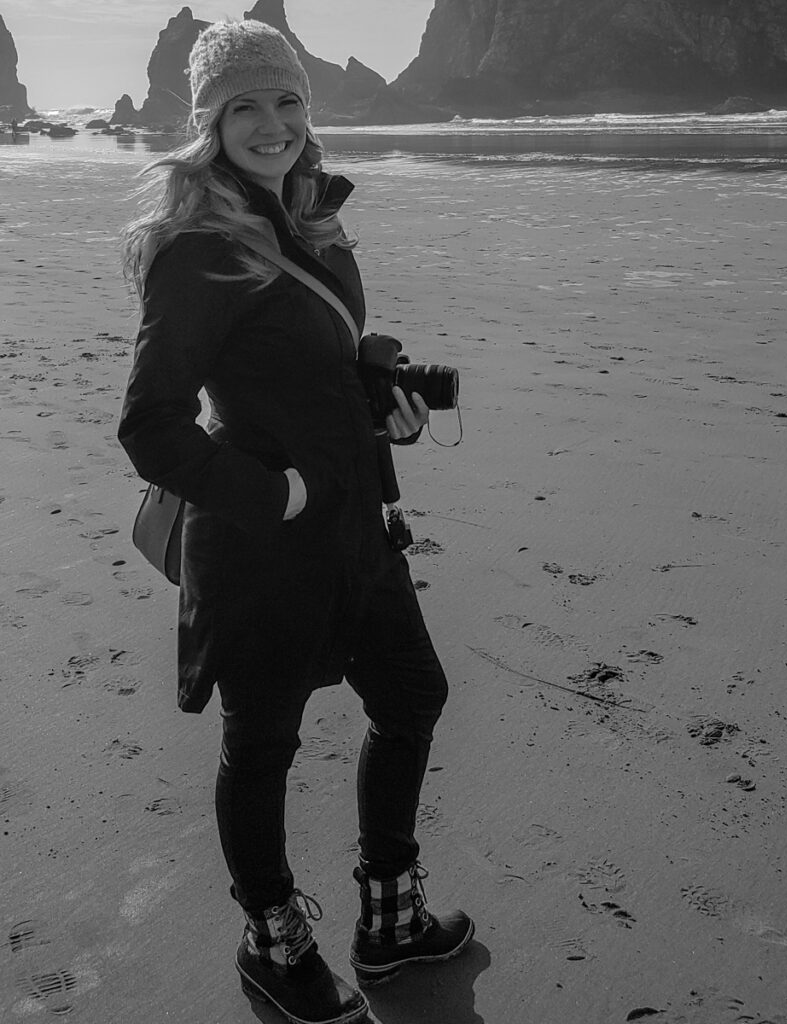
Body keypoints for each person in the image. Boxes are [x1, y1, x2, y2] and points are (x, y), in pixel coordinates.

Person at [118, 20, 472, 1024]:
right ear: (208, 124)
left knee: (411, 695)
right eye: (244, 107)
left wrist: (379, 397)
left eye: (285, 102)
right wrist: (273, 494)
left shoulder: (311, 212)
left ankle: (388, 917)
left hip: (357, 525)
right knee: (263, 744)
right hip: (264, 544)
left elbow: (312, 355)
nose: (271, 124)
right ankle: (272, 938)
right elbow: (149, 424)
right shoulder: (198, 248)